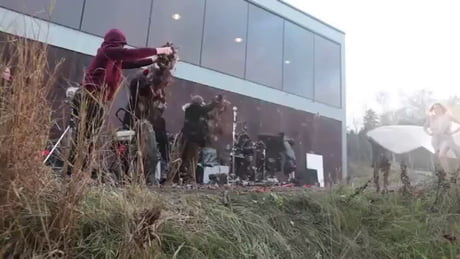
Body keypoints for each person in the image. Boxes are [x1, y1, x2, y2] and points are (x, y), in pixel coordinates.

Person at [67, 28, 173, 176]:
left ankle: (79, 168)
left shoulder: (112, 59)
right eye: (121, 45)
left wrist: (153, 60)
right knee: (86, 134)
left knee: (88, 134)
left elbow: (130, 62)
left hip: (96, 99)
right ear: (115, 42)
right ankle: (78, 168)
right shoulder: (108, 51)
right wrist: (160, 50)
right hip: (90, 97)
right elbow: (131, 54)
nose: (122, 48)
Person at [424, 102, 460, 183]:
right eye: (435, 108)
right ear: (433, 109)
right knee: (441, 159)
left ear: (442, 108)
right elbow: (425, 127)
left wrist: (452, 132)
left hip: (446, 139)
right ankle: (449, 176)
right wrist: (429, 133)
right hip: (435, 140)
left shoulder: (447, 116)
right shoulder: (431, 118)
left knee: (441, 155)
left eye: (438, 107)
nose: (436, 109)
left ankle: (450, 176)